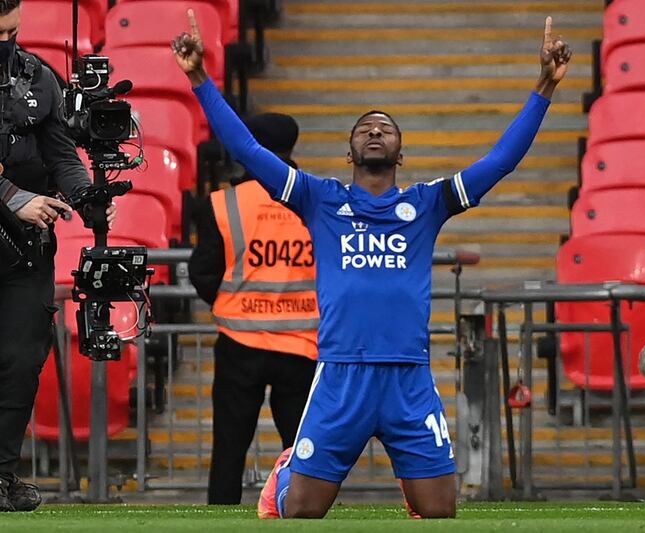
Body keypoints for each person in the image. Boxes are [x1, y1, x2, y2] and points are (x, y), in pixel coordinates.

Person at [173, 10, 570, 518]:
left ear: (401, 153)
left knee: (441, 512)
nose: (376, 133)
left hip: (409, 377)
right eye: (365, 129)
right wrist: (200, 79)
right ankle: (287, 476)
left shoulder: (427, 203)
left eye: (385, 129)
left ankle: (408, 479)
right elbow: (248, 149)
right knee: (300, 513)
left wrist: (544, 86)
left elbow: (500, 161)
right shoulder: (319, 199)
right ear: (349, 152)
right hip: (341, 374)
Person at [0, 0, 115, 512]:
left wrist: (85, 195)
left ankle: (1, 476)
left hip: (24, 253)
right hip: (13, 215)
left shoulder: (37, 76)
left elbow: (62, 155)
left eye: (10, 27)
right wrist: (11, 198)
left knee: (22, 362)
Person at [189, 112, 319, 505]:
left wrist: (234, 302)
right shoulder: (319, 197)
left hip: (239, 343)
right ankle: (307, 515)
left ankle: (220, 523)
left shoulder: (224, 202)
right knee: (306, 452)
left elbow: (203, 271)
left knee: (229, 449)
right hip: (303, 346)